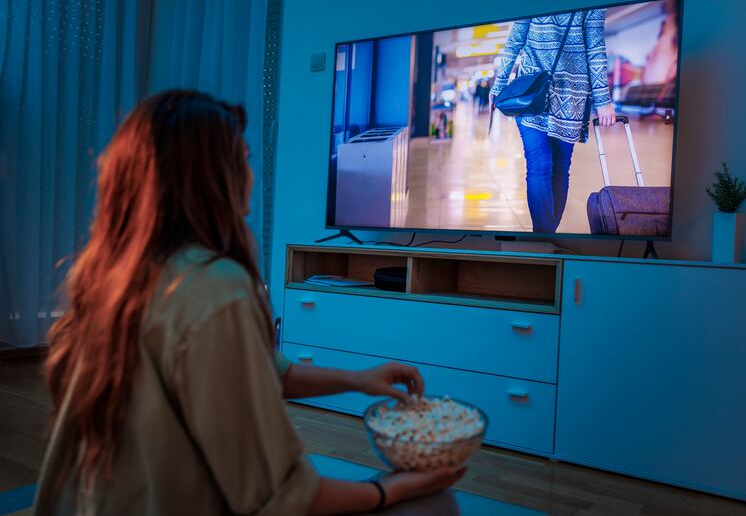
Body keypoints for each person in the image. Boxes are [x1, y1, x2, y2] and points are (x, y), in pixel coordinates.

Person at [33, 90, 465, 515]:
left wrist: (358, 379)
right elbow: (281, 497)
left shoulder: (113, 275)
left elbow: (273, 375)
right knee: (436, 504)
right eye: (242, 158)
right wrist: (389, 489)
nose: (250, 174)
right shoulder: (215, 287)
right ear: (208, 178)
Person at [490, 10, 616, 233]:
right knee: (547, 167)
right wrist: (499, 86)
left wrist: (603, 100)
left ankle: (545, 236)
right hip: (550, 95)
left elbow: (595, 49)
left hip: (549, 94)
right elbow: (595, 52)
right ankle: (545, 238)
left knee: (552, 168)